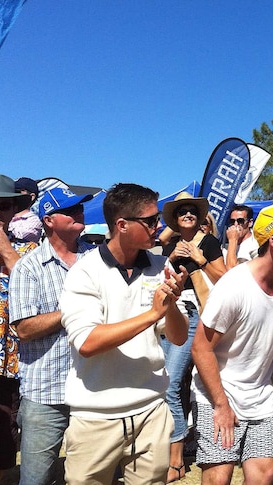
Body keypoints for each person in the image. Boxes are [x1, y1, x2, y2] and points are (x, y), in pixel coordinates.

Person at [60, 183, 189, 484]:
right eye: (151, 221)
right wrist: (152, 314)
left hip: (151, 411)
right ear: (121, 225)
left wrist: (170, 308)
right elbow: (88, 343)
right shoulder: (86, 271)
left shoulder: (161, 266)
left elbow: (179, 337)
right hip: (96, 416)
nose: (160, 226)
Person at [191, 204, 273, 485]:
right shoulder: (235, 286)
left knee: (264, 475)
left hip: (260, 396)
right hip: (217, 394)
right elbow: (200, 348)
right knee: (219, 476)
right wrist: (221, 405)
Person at [8, 187, 95, 485]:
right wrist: (71, 310)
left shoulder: (98, 260)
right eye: (69, 211)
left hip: (94, 389)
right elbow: (24, 329)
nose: (78, 214)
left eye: (79, 208)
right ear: (48, 220)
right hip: (46, 393)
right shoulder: (28, 267)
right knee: (36, 478)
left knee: (92, 477)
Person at [160, 191, 227, 481]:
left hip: (197, 316)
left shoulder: (209, 243)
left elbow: (226, 279)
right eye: (182, 211)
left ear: (200, 218)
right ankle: (174, 451)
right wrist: (172, 255)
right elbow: (158, 275)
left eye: (192, 211)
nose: (188, 214)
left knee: (171, 385)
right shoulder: (171, 245)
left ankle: (176, 461)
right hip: (169, 315)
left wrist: (200, 259)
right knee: (172, 384)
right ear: (175, 219)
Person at [0, 174, 39, 485]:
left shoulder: (29, 251)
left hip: (7, 364)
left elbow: (36, 289)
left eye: (4, 206)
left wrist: (5, 250)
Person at [10, 176, 43, 243]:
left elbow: (22, 237)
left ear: (32, 197)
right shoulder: (6, 215)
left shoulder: (35, 220)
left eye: (17, 191)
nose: (13, 195)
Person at [224, 204, 259, 269]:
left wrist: (232, 240)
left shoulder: (256, 246)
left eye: (240, 221)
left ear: (250, 223)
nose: (236, 224)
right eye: (232, 221)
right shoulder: (226, 246)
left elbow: (232, 271)